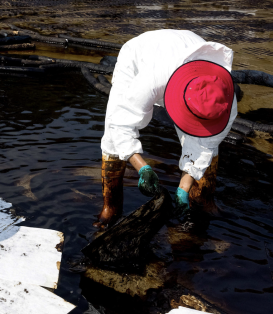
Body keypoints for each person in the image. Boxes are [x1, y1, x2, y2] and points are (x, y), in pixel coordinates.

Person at [96, 29, 237, 228]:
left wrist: (183, 188)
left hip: (186, 50)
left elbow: (205, 146)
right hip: (140, 58)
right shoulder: (152, 79)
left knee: (210, 144)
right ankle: (110, 208)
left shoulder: (225, 101)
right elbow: (121, 124)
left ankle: (202, 201)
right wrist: (142, 168)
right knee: (113, 135)